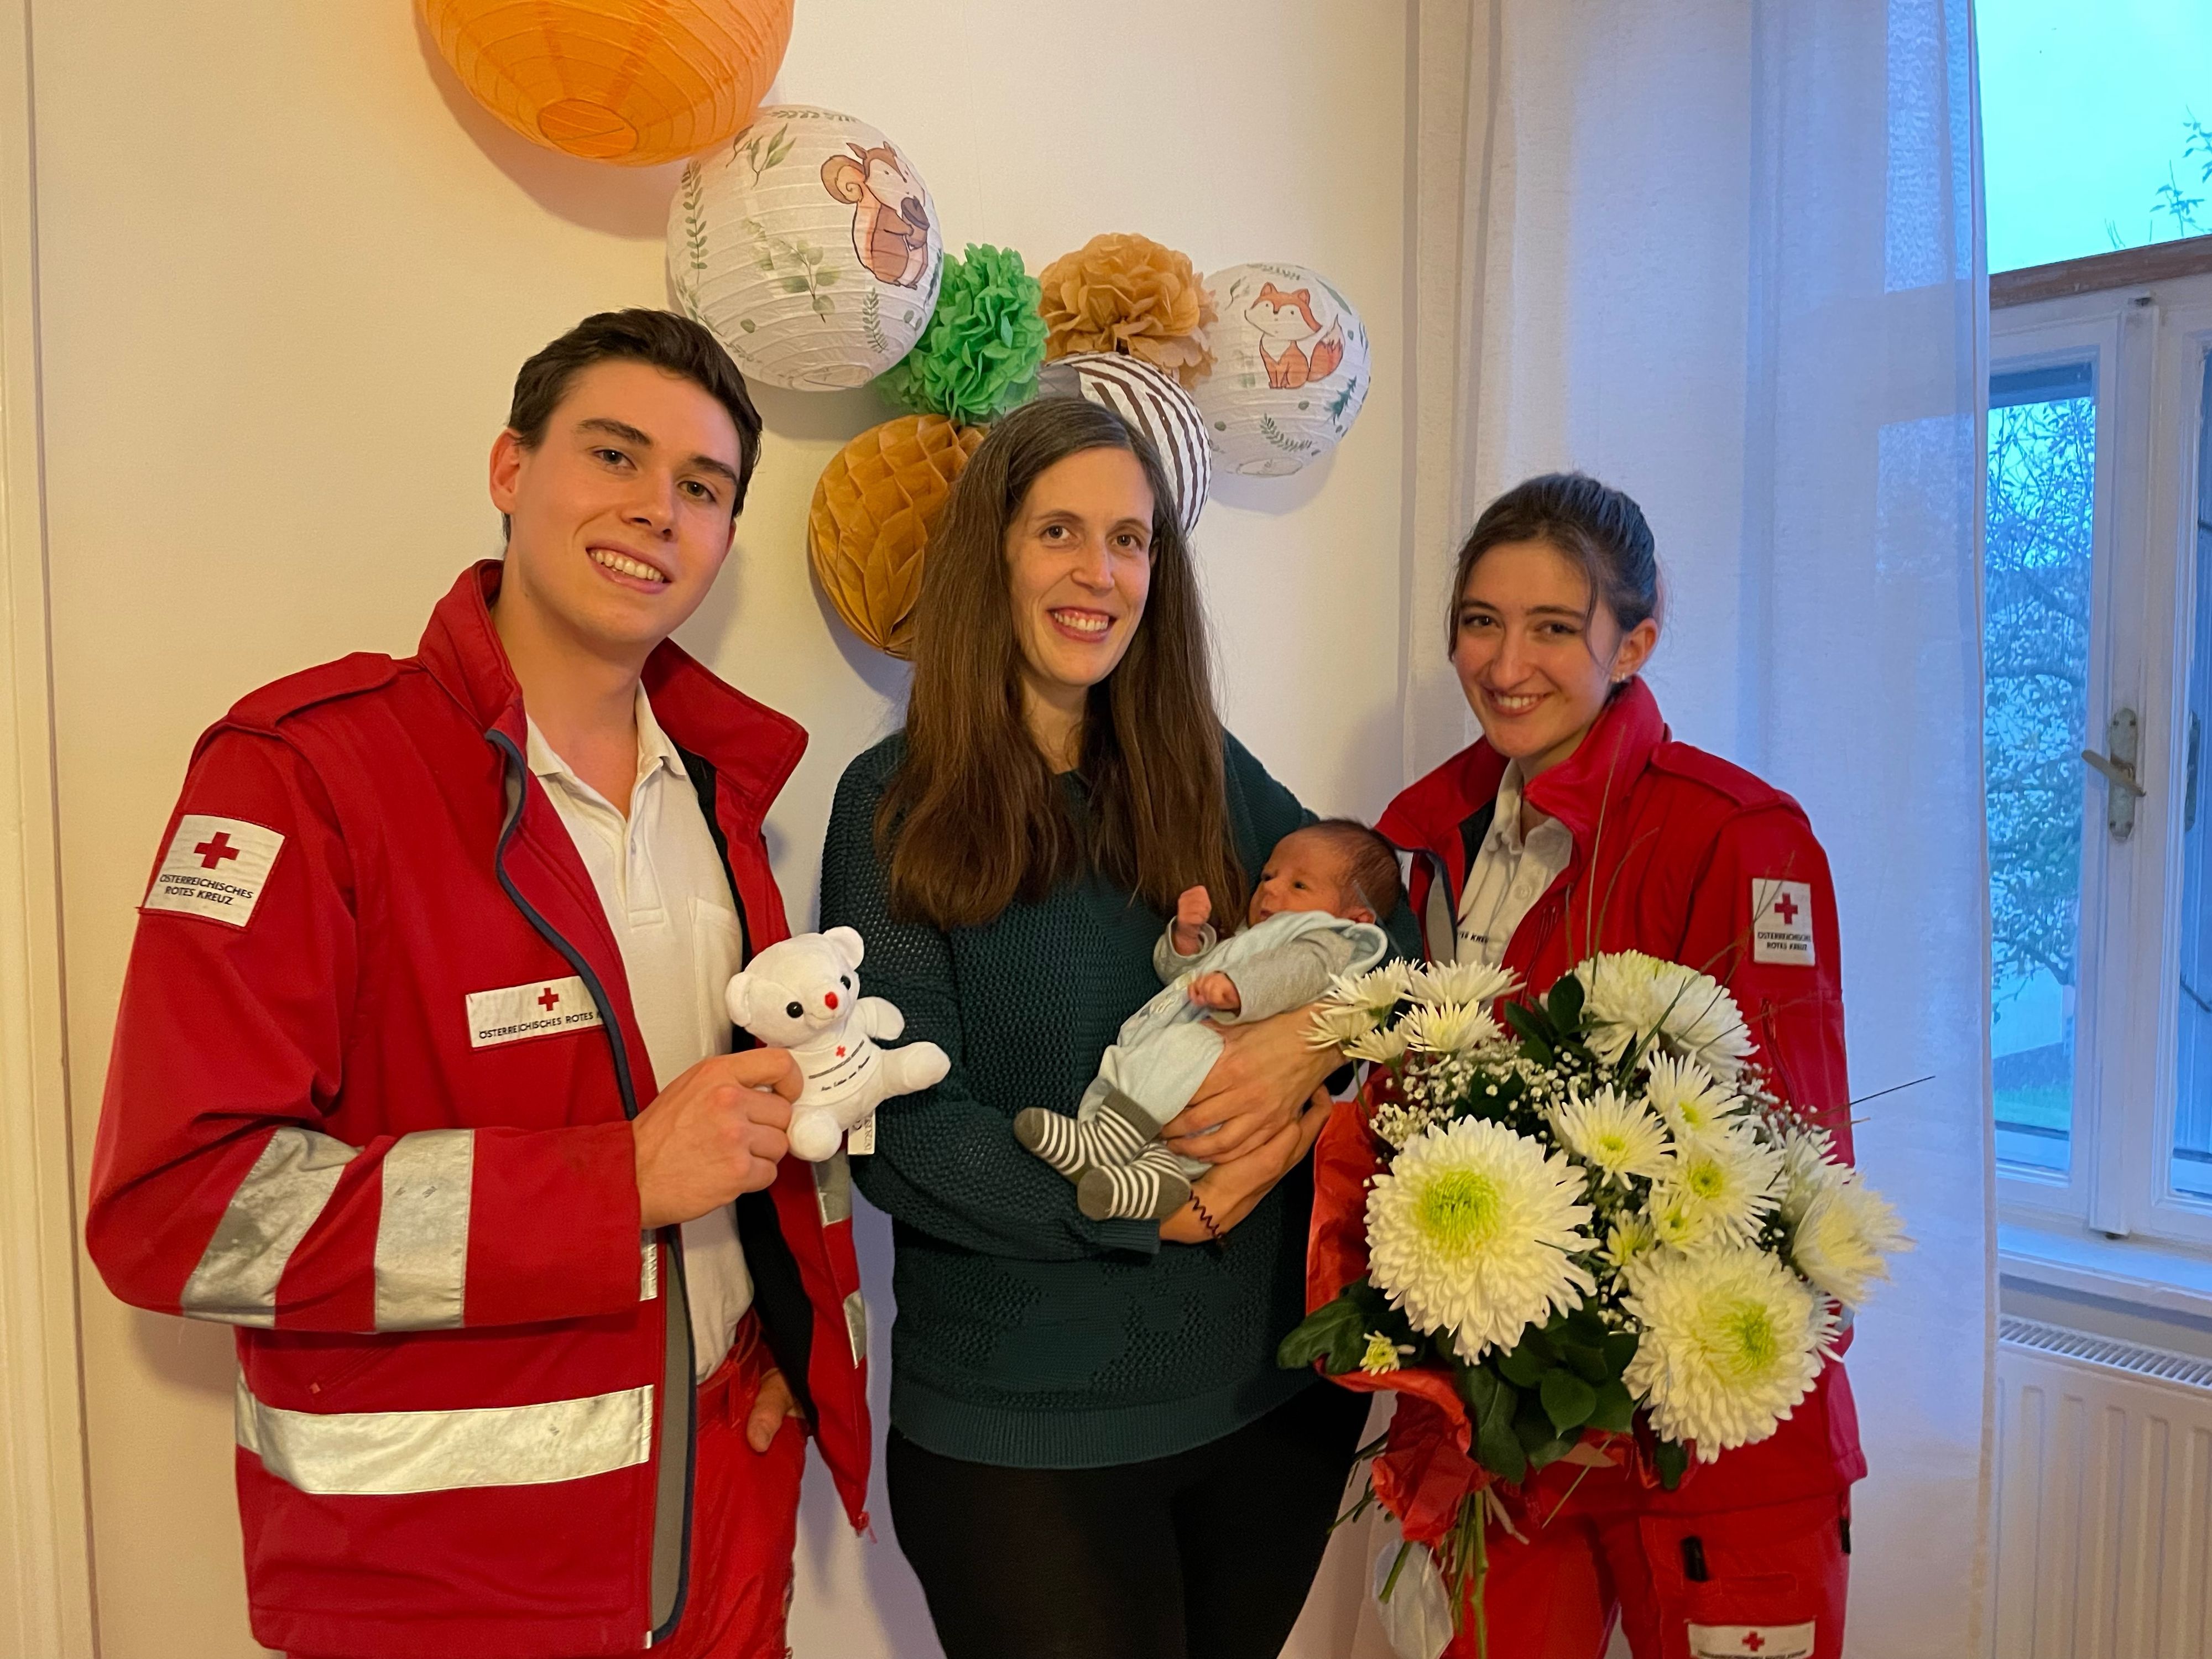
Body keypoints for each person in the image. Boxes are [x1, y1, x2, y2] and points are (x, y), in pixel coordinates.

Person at [84, 310, 870, 1659]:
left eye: (701, 486)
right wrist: (611, 1178)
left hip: (722, 1528)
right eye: (612, 455)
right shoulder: (305, 776)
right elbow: (176, 1210)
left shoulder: (723, 795)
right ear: (510, 467)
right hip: (444, 1587)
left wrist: (779, 1353)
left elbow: (747, 1144)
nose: (654, 511)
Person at [817, 397, 1412, 1659]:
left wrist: (1310, 1045)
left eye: (1132, 540)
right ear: (993, 553)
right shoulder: (894, 803)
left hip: (1266, 1405)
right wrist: (1136, 1201)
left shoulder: (1194, 762)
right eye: (1060, 533)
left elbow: (1389, 941)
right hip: (1024, 1438)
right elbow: (900, 1134)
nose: (1100, 573)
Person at [1374, 472, 1861, 1658]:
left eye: (1551, 627)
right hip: (1507, 1434)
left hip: (1709, 1442)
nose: (1505, 664)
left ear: (1633, 640)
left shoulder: (1737, 836)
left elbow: (1791, 1163)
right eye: (1480, 622)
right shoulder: (1432, 834)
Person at [1014, 820, 1400, 1221]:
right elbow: (1187, 984)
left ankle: (1101, 1143)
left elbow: (1293, 973)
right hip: (1198, 1109)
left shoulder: (1326, 940)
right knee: (1153, 1115)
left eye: (1299, 886)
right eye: (1269, 875)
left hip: (1217, 1060)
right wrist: (1187, 943)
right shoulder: (1254, 937)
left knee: (1164, 1059)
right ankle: (1146, 1187)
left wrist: (1239, 991)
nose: (1270, 887)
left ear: (1357, 920)